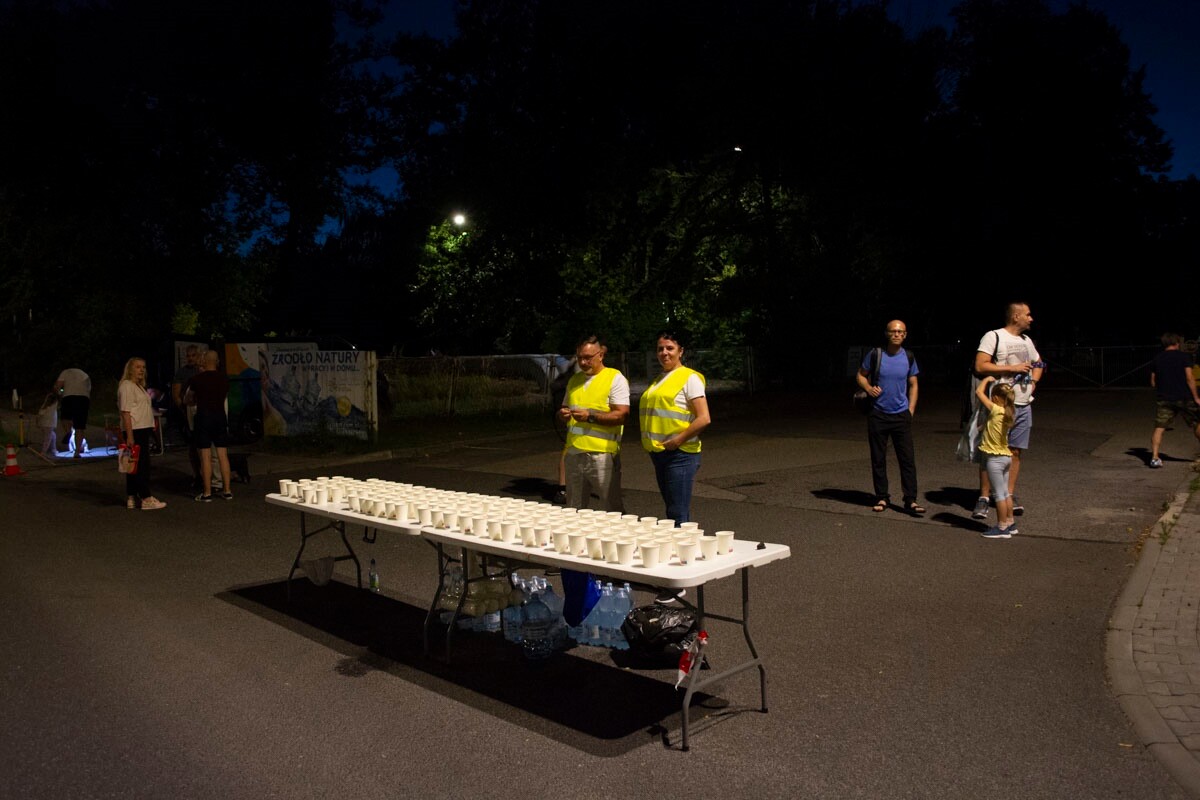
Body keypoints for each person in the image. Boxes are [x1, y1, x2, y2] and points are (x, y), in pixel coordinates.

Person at [556, 334, 630, 626]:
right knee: (575, 511)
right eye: (580, 357)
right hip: (575, 453)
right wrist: (564, 415)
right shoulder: (575, 381)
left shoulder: (615, 378)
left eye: (588, 357)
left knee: (611, 510)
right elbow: (564, 410)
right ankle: (579, 566)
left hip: (602, 454)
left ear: (602, 354)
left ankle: (617, 566)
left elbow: (621, 415)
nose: (584, 362)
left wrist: (589, 416)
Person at [971, 303, 1043, 520]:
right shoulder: (994, 336)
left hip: (1023, 404)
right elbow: (980, 365)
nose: (1031, 318)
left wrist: (1034, 383)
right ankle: (984, 497)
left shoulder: (1026, 340)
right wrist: (1011, 368)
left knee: (1015, 452)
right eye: (1028, 315)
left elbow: (1039, 363)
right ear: (1015, 316)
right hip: (1000, 405)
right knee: (991, 451)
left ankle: (1007, 494)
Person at [639, 330, 711, 525]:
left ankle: (685, 545)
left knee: (677, 513)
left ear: (681, 351)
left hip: (680, 453)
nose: (664, 353)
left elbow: (704, 418)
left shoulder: (689, 378)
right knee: (672, 511)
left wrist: (678, 440)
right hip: (659, 453)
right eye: (660, 349)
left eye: (670, 348)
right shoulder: (659, 379)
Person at [856, 320, 923, 514]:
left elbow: (914, 384)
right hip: (878, 414)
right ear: (887, 334)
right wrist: (868, 387)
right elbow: (860, 375)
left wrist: (911, 409)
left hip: (901, 415)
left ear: (905, 335)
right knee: (878, 458)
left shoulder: (908, 357)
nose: (896, 334)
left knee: (907, 459)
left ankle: (910, 499)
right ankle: (882, 497)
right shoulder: (876, 354)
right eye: (893, 331)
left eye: (900, 332)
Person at [184, 350, 233, 501]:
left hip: (203, 418)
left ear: (204, 361)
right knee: (223, 455)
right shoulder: (224, 379)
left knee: (205, 456)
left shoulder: (196, 379)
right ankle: (227, 490)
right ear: (217, 362)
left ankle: (207, 493)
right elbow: (224, 396)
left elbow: (188, 399)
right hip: (220, 417)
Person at [118, 357, 166, 510]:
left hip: (142, 428)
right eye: (138, 367)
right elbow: (125, 412)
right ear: (130, 369)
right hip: (136, 429)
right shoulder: (127, 386)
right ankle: (146, 497)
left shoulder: (138, 386)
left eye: (143, 367)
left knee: (133, 464)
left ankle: (132, 496)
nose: (141, 370)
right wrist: (130, 435)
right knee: (142, 465)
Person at [1149, 332, 1200, 468]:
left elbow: (1153, 382)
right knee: (1196, 423)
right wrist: (1196, 397)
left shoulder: (1157, 358)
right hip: (1184, 397)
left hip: (1165, 398)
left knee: (1160, 427)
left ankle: (1154, 457)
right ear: (1177, 343)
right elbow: (1189, 378)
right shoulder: (1183, 357)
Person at [975, 377, 1017, 538]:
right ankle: (1010, 522)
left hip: (995, 459)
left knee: (998, 495)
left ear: (997, 398)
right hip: (1006, 457)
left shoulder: (995, 409)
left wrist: (986, 379)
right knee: (1006, 493)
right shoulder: (1008, 412)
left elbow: (979, 392)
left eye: (993, 396)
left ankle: (1002, 527)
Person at [172, 344, 205, 490]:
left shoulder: (203, 370)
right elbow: (176, 395)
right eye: (188, 356)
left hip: (204, 413)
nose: (190, 358)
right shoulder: (182, 372)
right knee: (193, 446)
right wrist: (185, 411)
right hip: (189, 413)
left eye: (193, 355)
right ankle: (197, 475)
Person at [54, 366, 91, 458]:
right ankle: (77, 452)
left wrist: (59, 393)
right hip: (83, 399)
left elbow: (58, 386)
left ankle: (69, 431)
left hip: (69, 397)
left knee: (64, 418)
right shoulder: (85, 375)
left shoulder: (66, 372)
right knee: (80, 427)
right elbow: (88, 389)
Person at [36, 392, 59, 458]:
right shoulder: (53, 406)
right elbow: (58, 397)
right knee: (47, 439)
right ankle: (43, 452)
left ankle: (53, 449)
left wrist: (37, 423)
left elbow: (39, 415)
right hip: (49, 425)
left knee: (53, 435)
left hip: (43, 424)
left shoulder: (44, 407)